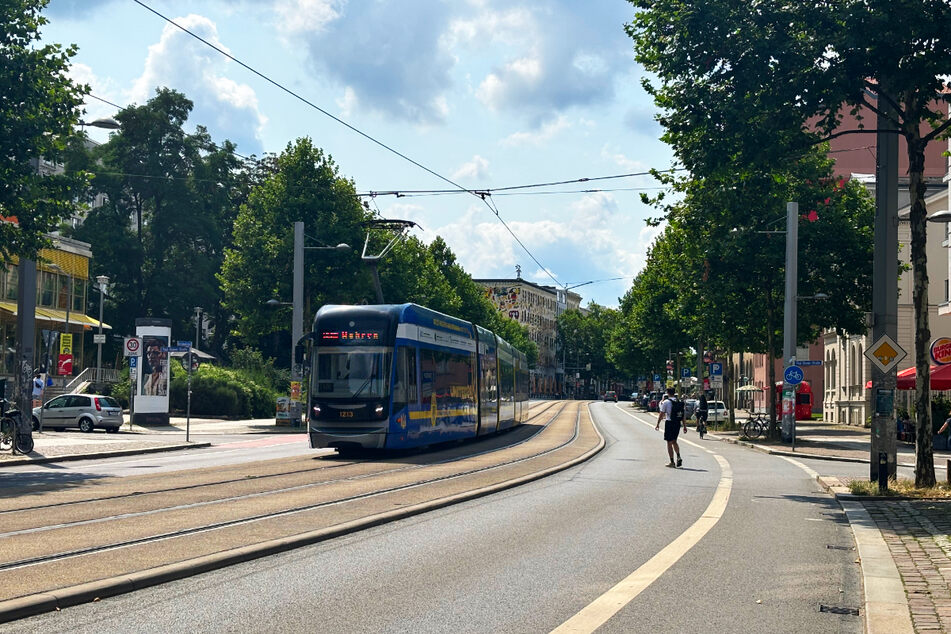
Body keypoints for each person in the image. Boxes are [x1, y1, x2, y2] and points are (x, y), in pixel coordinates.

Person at [655, 387, 687, 467]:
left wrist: (658, 424)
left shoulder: (666, 402)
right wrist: (684, 426)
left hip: (669, 423)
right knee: (674, 441)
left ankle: (672, 462)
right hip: (677, 423)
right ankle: (678, 456)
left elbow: (661, 414)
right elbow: (682, 415)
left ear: (668, 393)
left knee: (669, 443)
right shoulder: (679, 401)